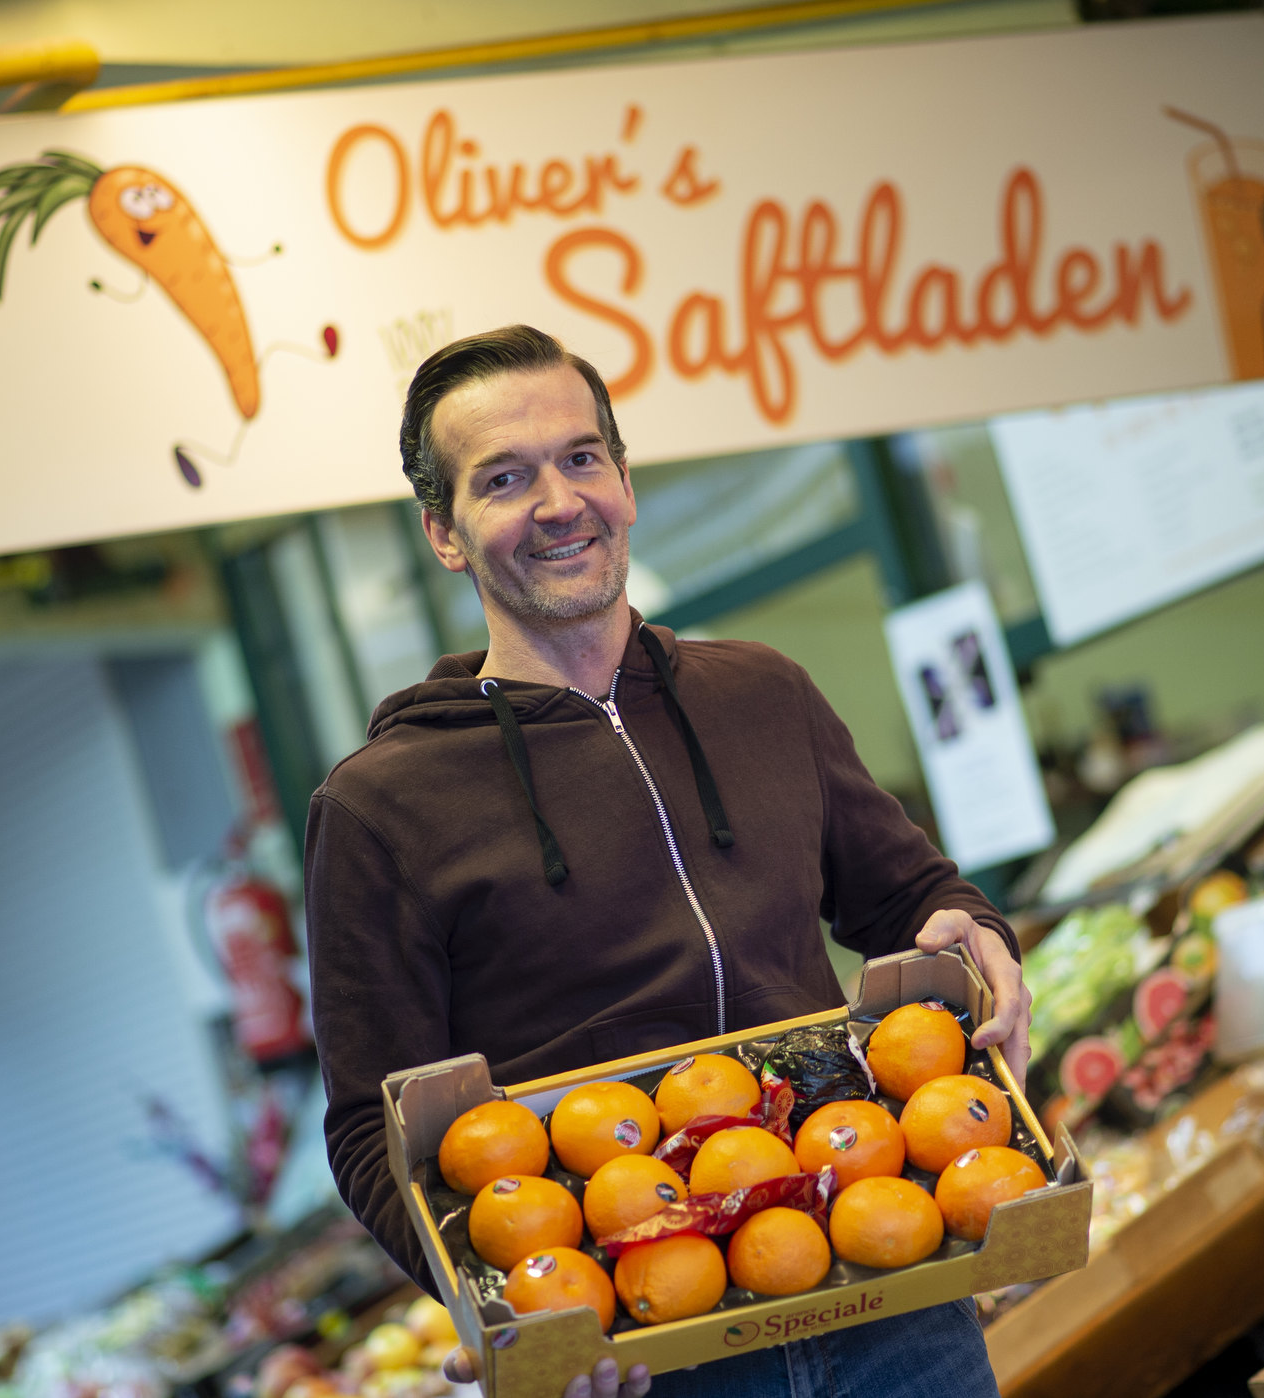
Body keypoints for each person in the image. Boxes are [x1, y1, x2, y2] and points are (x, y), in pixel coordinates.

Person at [304, 325, 1032, 1398]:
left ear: (626, 481)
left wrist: (979, 939)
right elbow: (374, 1124)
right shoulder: (380, 806)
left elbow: (913, 899)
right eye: (504, 479)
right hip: (644, 1344)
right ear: (444, 534)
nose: (558, 501)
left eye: (581, 457)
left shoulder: (761, 694)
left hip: (885, 1283)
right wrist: (509, 1313)